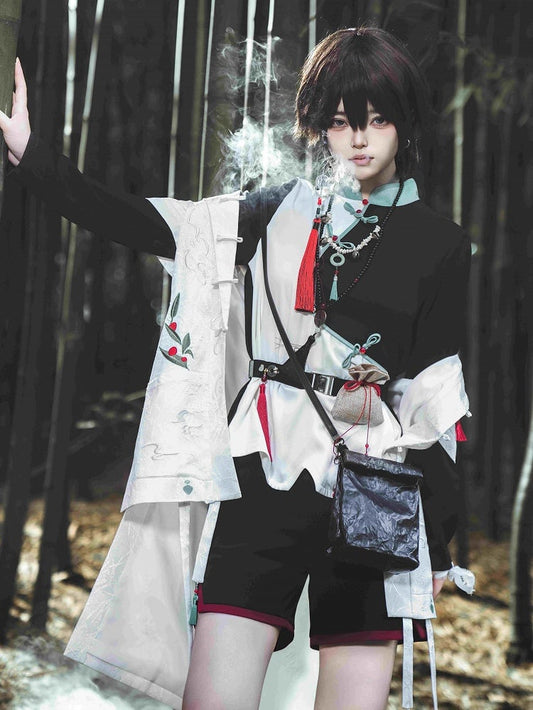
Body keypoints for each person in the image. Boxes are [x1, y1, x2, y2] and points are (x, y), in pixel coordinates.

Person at [1, 26, 475, 710]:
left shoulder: (439, 242)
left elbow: (434, 398)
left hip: (376, 488)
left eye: (377, 119)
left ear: (405, 122)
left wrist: (436, 539)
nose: (359, 139)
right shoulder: (278, 209)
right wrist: (34, 157)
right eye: (341, 121)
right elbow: (149, 224)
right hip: (261, 472)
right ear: (318, 125)